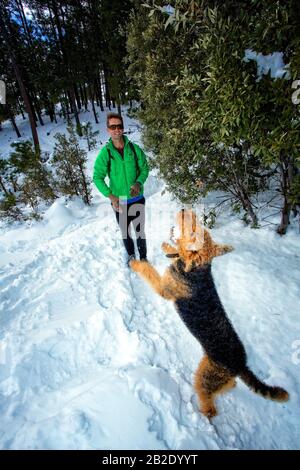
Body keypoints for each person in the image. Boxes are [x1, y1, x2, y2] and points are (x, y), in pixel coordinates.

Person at [93, 112, 149, 265]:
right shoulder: (106, 153)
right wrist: (111, 197)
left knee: (139, 231)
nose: (116, 129)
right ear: (108, 129)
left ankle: (143, 257)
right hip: (120, 201)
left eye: (119, 126)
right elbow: (97, 177)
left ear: (123, 128)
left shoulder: (134, 148)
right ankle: (131, 255)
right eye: (113, 127)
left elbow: (145, 168)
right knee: (126, 232)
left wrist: (138, 182)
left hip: (137, 198)